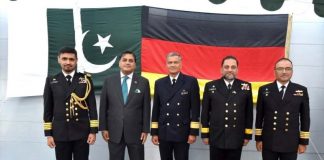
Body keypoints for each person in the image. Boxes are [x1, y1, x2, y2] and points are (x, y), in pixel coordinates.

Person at [43, 46, 98, 160]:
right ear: (59, 59)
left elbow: (92, 107)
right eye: (64, 58)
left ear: (76, 60)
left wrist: (93, 131)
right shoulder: (52, 80)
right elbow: (48, 109)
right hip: (60, 132)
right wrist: (48, 134)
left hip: (82, 132)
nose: (68, 62)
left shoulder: (85, 80)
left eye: (71, 59)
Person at [99, 51, 151, 160]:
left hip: (136, 132)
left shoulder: (143, 82)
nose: (127, 63)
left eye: (131, 61)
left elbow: (146, 108)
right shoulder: (109, 81)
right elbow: (103, 106)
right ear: (119, 63)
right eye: (124, 60)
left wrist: (145, 130)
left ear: (135, 65)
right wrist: (104, 128)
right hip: (114, 131)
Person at [255, 58, 310, 160]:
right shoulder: (264, 90)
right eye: (280, 69)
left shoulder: (301, 90)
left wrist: (303, 141)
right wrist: (258, 139)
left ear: (292, 71)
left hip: (291, 142)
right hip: (269, 141)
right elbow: (259, 117)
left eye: (288, 68)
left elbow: (305, 118)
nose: (284, 72)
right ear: (274, 71)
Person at [201, 55, 253, 160]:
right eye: (226, 67)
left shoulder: (245, 86)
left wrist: (247, 135)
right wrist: (205, 134)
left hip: (236, 136)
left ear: (237, 70)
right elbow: (205, 112)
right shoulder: (210, 86)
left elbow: (249, 113)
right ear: (221, 69)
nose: (230, 70)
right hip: (216, 136)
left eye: (233, 67)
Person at [151, 52, 200, 160]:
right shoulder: (159, 83)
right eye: (170, 62)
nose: (172, 65)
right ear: (166, 65)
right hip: (164, 132)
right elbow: (156, 109)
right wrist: (154, 132)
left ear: (181, 64)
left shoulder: (190, 81)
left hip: (182, 132)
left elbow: (195, 109)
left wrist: (193, 132)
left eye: (175, 62)